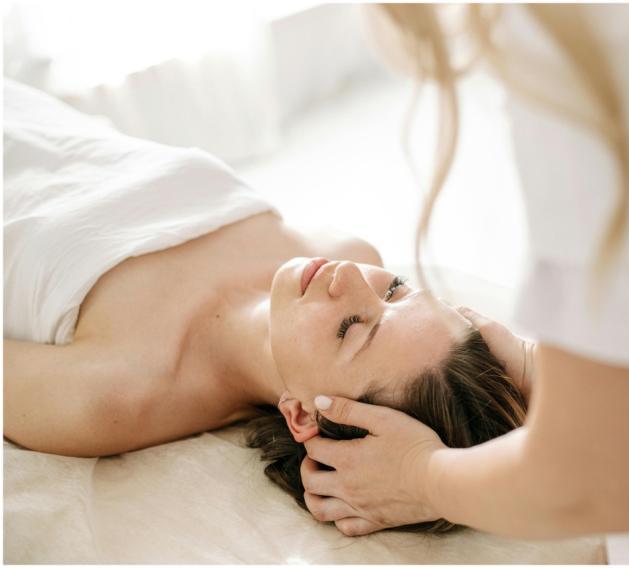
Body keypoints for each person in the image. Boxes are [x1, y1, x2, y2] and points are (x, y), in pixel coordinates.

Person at [295, 4, 629, 563]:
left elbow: (599, 482)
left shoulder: (590, 44)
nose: (349, 275)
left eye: (395, 289)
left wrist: (420, 477)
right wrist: (557, 371)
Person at [3, 79, 529, 532]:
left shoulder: (114, 396)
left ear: (301, 414)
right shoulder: (349, 251)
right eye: (396, 289)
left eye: (350, 328)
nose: (349, 277)